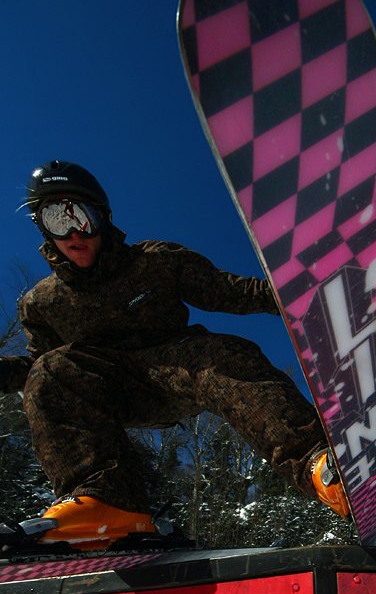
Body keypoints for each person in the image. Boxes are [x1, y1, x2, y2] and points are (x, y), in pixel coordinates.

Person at [0, 161, 349, 551]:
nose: (73, 232)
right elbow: (40, 369)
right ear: (42, 228)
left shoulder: (155, 262)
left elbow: (230, 291)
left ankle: (322, 466)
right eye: (55, 219)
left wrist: (295, 296)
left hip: (175, 367)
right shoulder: (42, 303)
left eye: (80, 216)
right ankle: (108, 505)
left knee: (221, 353)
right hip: (108, 387)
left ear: (103, 217)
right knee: (50, 370)